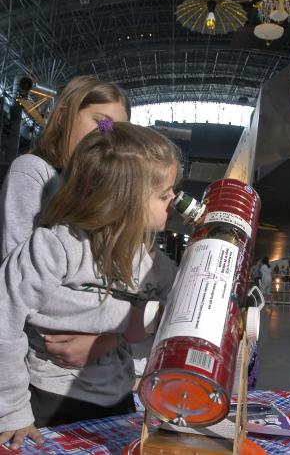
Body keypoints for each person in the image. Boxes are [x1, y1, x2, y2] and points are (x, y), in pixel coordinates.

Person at [0, 121, 180, 450]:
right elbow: (3, 320)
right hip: (48, 403)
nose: (174, 202)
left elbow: (181, 309)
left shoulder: (152, 261)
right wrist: (12, 411)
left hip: (118, 398)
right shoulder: (54, 247)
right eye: (163, 195)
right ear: (124, 199)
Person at [0, 75, 130, 368]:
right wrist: (126, 319)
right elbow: (18, 289)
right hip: (41, 370)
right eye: (103, 123)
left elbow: (111, 284)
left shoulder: (98, 195)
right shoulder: (34, 171)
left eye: (118, 132)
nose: (108, 137)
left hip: (99, 372)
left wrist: (111, 337)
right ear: (62, 117)